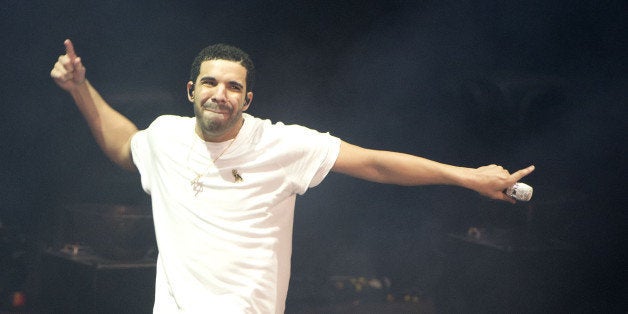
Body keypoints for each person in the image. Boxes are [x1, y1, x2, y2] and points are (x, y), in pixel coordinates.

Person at [51, 39, 534, 313]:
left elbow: (374, 162)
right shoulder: (165, 138)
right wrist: (79, 87)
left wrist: (467, 177)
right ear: (191, 90)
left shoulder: (280, 144)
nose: (222, 93)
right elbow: (122, 142)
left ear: (248, 99)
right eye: (211, 82)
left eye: (234, 86)